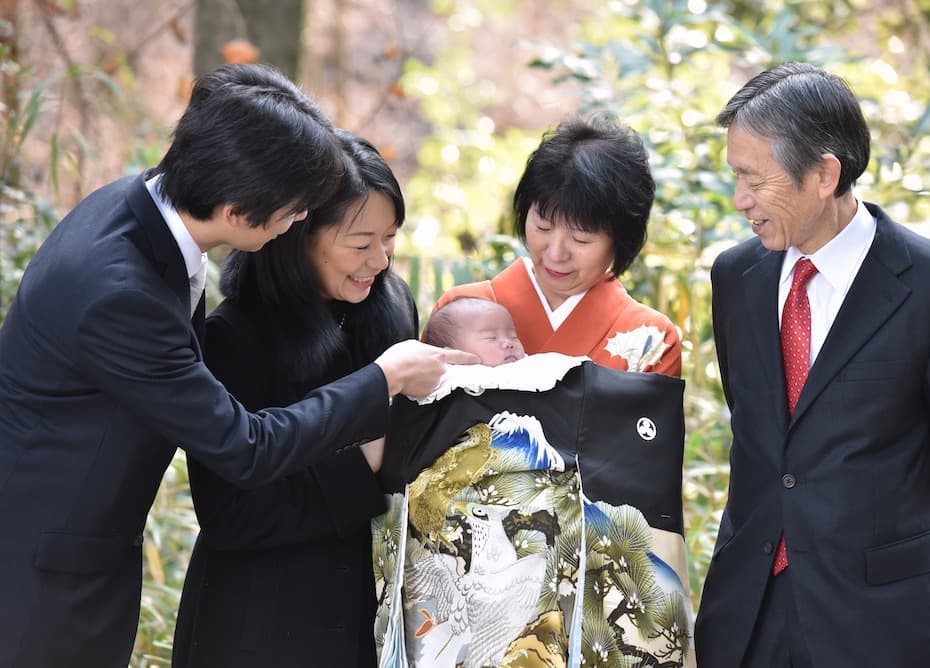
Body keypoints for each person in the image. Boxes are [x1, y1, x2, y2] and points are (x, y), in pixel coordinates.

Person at [0, 64, 475, 668]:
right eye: (295, 210)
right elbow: (244, 446)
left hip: (81, 552)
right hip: (40, 577)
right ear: (236, 210)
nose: (299, 221)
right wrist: (382, 382)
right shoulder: (119, 289)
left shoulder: (141, 210)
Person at [695, 61, 930, 667]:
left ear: (824, 173)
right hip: (748, 617)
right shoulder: (737, 277)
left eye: (754, 179)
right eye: (735, 176)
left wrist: (903, 573)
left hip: (882, 626)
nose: (740, 200)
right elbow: (760, 439)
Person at [171, 128, 420, 668]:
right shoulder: (234, 337)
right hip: (263, 622)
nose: (379, 261)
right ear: (296, 233)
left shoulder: (391, 306)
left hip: (369, 616)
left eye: (390, 238)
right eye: (360, 243)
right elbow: (230, 515)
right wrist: (364, 462)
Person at [433, 113, 682, 377]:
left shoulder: (651, 340)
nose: (555, 253)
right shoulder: (460, 313)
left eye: (581, 239)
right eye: (543, 227)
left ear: (621, 239)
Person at [423, 297, 526, 367]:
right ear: (454, 355)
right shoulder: (455, 388)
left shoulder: (531, 367)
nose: (509, 343)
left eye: (513, 336)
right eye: (491, 337)